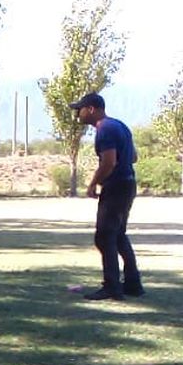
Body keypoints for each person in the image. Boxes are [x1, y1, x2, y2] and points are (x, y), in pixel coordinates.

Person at [71, 92, 143, 301]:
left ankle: (112, 286)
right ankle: (133, 284)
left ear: (91, 109)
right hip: (128, 183)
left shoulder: (104, 130)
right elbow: (134, 157)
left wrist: (94, 183)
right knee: (119, 235)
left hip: (116, 187)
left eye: (80, 110)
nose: (78, 115)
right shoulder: (119, 125)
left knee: (104, 236)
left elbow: (109, 162)